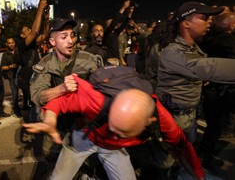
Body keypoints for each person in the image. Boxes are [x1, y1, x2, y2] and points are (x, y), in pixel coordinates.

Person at [24, 74, 205, 180]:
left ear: (147, 122)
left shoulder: (160, 119)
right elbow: (59, 101)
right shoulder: (96, 99)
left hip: (114, 150)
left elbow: (182, 146)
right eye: (113, 126)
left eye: (122, 133)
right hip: (84, 137)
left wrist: (198, 175)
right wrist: (49, 121)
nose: (113, 135)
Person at [155, 1, 235, 144]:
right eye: (204, 18)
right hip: (174, 118)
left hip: (189, 114)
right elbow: (207, 67)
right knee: (167, 160)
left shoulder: (192, 47)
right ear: (186, 23)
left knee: (185, 156)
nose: (209, 22)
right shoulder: (173, 51)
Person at [29, 18, 102, 168]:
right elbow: (37, 96)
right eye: (64, 37)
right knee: (50, 158)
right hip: (57, 122)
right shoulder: (45, 65)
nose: (70, 41)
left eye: (72, 35)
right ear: (52, 42)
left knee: (90, 162)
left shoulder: (88, 60)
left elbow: (104, 87)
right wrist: (62, 88)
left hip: (83, 123)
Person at [198, 12, 235, 169]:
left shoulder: (206, 41)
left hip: (210, 88)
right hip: (224, 91)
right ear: (231, 26)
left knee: (212, 126)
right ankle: (206, 157)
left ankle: (204, 155)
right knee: (215, 128)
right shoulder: (230, 42)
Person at [16, 0, 50, 111]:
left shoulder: (33, 43)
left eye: (29, 29)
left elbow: (45, 34)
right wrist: (39, 9)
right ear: (22, 35)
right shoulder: (21, 44)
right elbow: (35, 32)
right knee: (32, 105)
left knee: (37, 103)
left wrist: (46, 18)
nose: (30, 30)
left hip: (36, 75)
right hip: (28, 78)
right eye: (27, 30)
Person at [103, 0, 133, 66]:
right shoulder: (107, 33)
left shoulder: (115, 33)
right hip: (109, 60)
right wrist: (123, 7)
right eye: (110, 23)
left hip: (116, 60)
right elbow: (114, 22)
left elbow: (124, 24)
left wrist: (130, 13)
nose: (114, 23)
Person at [1, 37, 22, 118]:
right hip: (12, 77)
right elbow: (2, 67)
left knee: (25, 92)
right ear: (7, 44)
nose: (11, 44)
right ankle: (16, 110)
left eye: (12, 42)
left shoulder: (18, 51)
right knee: (15, 93)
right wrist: (11, 66)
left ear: (15, 43)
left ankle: (26, 108)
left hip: (21, 76)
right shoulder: (5, 54)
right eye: (9, 43)